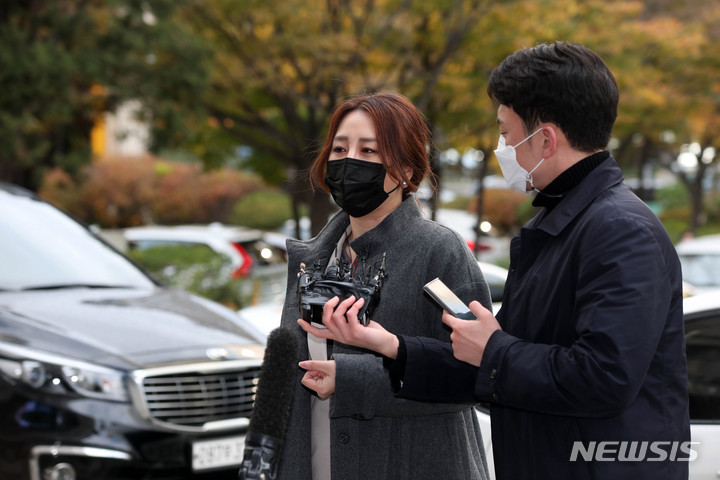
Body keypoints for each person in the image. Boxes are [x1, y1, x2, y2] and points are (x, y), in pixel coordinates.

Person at [301, 42, 691, 480]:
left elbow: (604, 378)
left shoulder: (619, 230)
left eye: (506, 133)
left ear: (545, 139)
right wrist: (391, 345)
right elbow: (501, 361)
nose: (501, 146)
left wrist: (494, 350)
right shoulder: (563, 223)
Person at [278, 92, 492, 480]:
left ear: (408, 171)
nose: (348, 161)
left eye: (369, 150)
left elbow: (475, 379)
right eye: (339, 148)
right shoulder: (313, 259)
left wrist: (354, 381)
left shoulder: (439, 252)